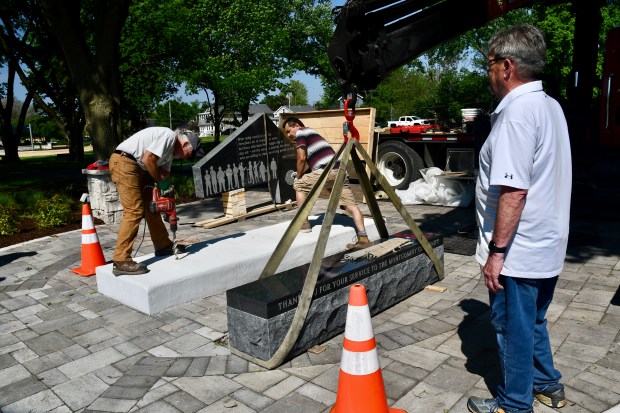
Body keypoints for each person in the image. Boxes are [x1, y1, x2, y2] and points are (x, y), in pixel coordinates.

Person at [467, 25, 571, 413]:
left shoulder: (516, 115)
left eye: (490, 64)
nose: (488, 72)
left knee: (512, 328)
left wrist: (497, 252)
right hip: (546, 243)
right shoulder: (549, 105)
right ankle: (547, 385)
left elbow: (514, 191)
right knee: (534, 321)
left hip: (519, 250)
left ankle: (514, 405)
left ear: (507, 66)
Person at [109, 127, 203, 276]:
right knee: (134, 210)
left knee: (152, 207)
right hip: (125, 162)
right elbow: (148, 159)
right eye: (189, 155)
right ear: (185, 145)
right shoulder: (169, 136)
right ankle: (121, 260)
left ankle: (163, 245)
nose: (187, 159)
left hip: (139, 167)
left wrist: (167, 196)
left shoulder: (170, 154)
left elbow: (163, 175)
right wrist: (161, 183)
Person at [282, 117, 371, 249]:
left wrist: (299, 176)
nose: (289, 135)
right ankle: (364, 239)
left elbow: (301, 158)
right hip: (339, 172)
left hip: (326, 172)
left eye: (289, 131)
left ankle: (304, 224)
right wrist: (300, 172)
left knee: (299, 185)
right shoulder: (312, 133)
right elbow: (308, 163)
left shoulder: (301, 133)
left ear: (296, 125)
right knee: (350, 206)